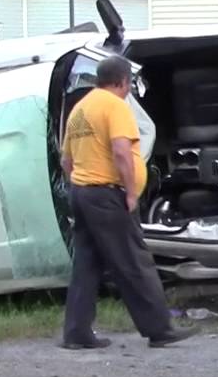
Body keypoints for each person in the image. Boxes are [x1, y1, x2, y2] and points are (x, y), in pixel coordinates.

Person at [60, 55, 197, 350]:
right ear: (123, 82)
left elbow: (66, 160)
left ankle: (77, 332)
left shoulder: (79, 109)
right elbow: (122, 151)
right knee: (134, 261)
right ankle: (160, 329)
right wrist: (131, 193)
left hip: (82, 193)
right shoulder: (115, 106)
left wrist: (80, 184)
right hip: (107, 195)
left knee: (86, 263)